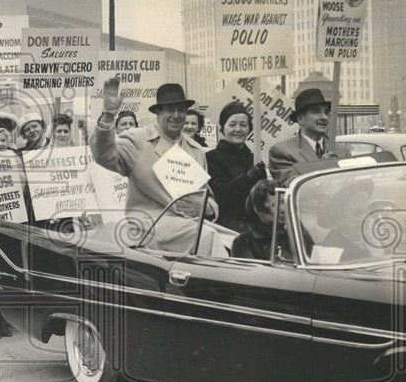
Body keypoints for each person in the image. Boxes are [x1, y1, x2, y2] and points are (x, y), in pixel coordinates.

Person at [91, 79, 213, 252]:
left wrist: (206, 207)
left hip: (188, 225)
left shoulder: (196, 151)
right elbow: (104, 156)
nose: (177, 116)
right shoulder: (137, 139)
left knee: (230, 240)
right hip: (146, 225)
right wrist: (108, 116)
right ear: (158, 113)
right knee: (207, 237)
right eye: (170, 110)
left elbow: (207, 196)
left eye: (181, 110)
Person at [206, 102, 267, 232]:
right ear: (222, 128)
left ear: (249, 130)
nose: (238, 129)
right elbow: (221, 196)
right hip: (225, 228)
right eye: (232, 124)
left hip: (256, 227)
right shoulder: (211, 158)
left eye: (243, 125)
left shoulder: (254, 159)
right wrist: (248, 178)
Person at [267, 87, 345, 183]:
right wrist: (322, 166)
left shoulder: (342, 151)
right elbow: (293, 184)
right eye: (316, 111)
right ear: (300, 119)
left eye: (326, 112)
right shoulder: (282, 152)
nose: (324, 117)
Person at [230, 179, 299, 261]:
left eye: (284, 202)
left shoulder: (297, 234)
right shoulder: (243, 243)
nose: (283, 209)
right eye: (274, 205)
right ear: (257, 209)